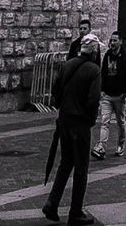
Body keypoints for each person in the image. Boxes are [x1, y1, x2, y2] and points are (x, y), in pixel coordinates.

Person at [43, 35, 103, 225]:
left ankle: (52, 203)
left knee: (65, 163)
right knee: (81, 168)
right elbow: (93, 100)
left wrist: (64, 109)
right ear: (94, 52)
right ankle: (75, 211)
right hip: (80, 123)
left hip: (65, 121)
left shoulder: (68, 65)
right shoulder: (94, 70)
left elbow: (55, 91)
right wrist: (90, 119)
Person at [94, 30, 126, 161]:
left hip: (119, 95)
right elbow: (103, 72)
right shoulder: (107, 55)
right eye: (111, 40)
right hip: (107, 94)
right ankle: (102, 146)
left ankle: (121, 144)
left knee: (120, 121)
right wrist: (102, 90)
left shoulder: (125, 56)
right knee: (104, 121)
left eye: (115, 40)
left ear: (120, 41)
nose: (112, 43)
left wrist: (125, 92)